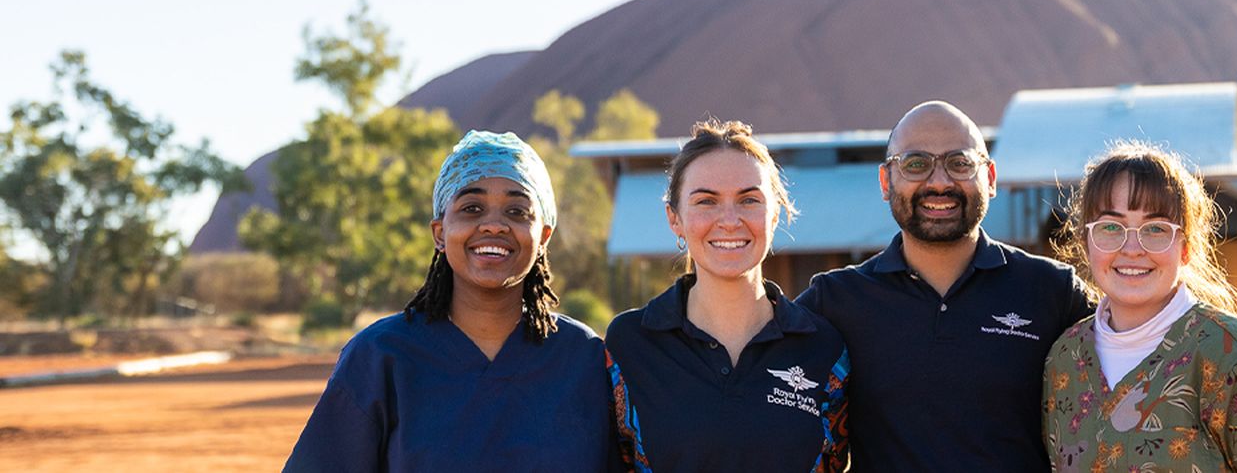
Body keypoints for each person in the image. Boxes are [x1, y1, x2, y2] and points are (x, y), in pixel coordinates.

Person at [794, 102, 1237, 472]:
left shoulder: (1050, 290)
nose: (939, 182)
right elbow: (762, 368)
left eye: (959, 163)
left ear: (990, 178)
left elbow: (1144, 334)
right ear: (886, 181)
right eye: (915, 164)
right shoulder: (835, 301)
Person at [284, 131, 620, 472]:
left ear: (544, 236)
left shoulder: (583, 358)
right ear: (440, 232)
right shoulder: (380, 356)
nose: (494, 226)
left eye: (517, 211)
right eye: (472, 209)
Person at [1042, 142, 1237, 472]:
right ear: (1086, 242)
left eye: (1156, 229)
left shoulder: (1234, 355)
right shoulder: (1063, 361)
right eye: (1111, 227)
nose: (1132, 248)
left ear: (1186, 248)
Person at [605, 120, 849, 472]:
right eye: (706, 201)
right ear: (674, 218)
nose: (730, 220)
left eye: (749, 200)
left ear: (775, 214)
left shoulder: (824, 347)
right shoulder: (629, 343)